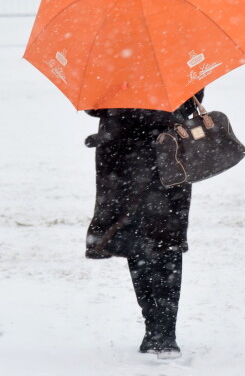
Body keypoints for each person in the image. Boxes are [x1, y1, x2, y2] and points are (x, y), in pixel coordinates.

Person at [84, 90, 204, 358]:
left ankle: (157, 330)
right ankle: (163, 333)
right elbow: (190, 101)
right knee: (163, 244)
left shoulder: (109, 59)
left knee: (139, 244)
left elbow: (93, 107)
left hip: (125, 161)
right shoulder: (174, 55)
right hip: (165, 155)